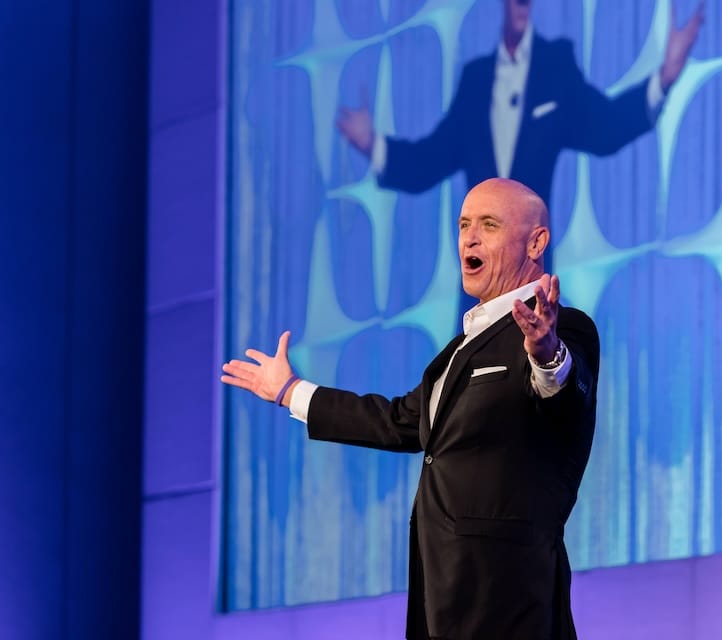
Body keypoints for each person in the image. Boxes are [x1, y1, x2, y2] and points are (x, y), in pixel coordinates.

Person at [222, 178, 600, 639]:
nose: (469, 238)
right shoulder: (458, 351)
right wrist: (291, 390)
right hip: (440, 595)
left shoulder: (564, 330)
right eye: (463, 225)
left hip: (509, 597)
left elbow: (566, 398)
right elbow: (397, 422)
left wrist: (546, 353)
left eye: (488, 225)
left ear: (536, 242)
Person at [337, 0, 704, 216]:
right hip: (479, 285)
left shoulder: (555, 65)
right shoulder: (476, 80)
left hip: (533, 278)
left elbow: (605, 129)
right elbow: (429, 161)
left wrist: (664, 78)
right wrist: (372, 144)